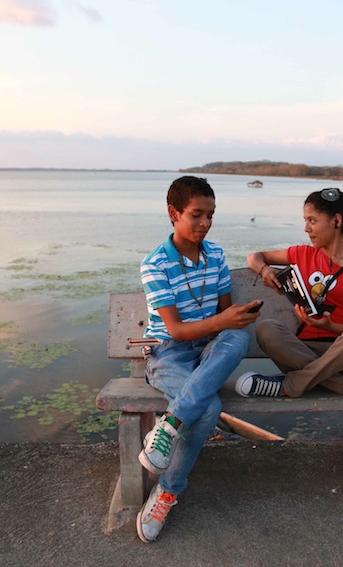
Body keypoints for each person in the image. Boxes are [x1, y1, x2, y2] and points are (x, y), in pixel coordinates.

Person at [136, 175, 262, 543]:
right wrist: (222, 320)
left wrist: (235, 318)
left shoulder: (217, 255)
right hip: (169, 355)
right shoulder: (155, 264)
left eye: (210, 215)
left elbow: (226, 320)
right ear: (173, 213)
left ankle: (169, 425)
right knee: (207, 410)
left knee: (237, 336)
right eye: (196, 215)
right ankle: (168, 492)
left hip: (209, 352)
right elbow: (174, 331)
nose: (205, 223)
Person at [238, 187, 343, 399]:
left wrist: (331, 326)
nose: (306, 228)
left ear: (336, 221)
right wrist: (265, 270)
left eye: (312, 220)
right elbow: (255, 256)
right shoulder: (302, 254)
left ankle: (290, 386)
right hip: (301, 351)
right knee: (265, 329)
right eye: (305, 220)